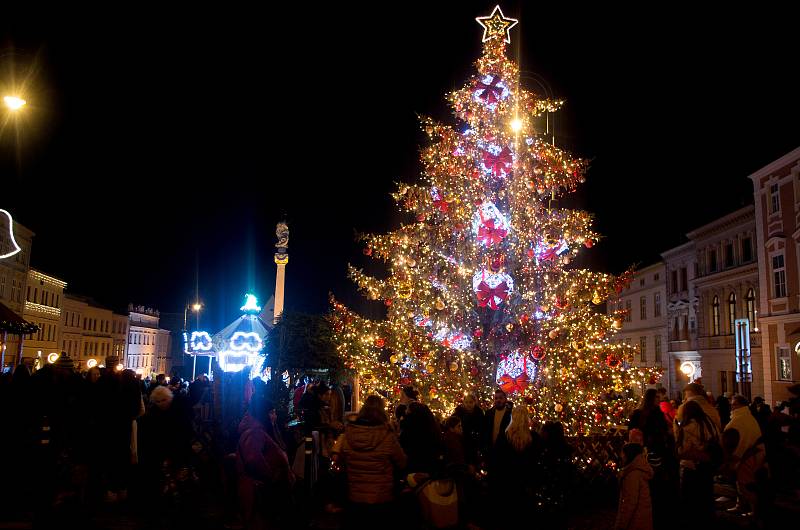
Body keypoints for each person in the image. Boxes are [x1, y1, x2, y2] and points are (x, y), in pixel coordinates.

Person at [332, 395, 407, 530]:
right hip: (381, 497)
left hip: (354, 496)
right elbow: (402, 463)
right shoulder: (387, 435)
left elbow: (340, 461)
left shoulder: (348, 434)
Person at [236, 395, 294, 529]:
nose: (275, 416)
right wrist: (272, 476)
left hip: (264, 491)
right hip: (260, 494)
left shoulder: (260, 429)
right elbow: (254, 460)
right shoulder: (255, 432)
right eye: (272, 413)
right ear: (263, 414)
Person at [491, 406, 539, 526]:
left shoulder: (504, 437)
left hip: (508, 480)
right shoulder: (533, 438)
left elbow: (497, 459)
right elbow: (536, 460)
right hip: (526, 480)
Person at [675, 399, 719, 526]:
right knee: (706, 495)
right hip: (707, 465)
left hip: (691, 466)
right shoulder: (709, 424)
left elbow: (682, 450)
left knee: (691, 498)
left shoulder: (687, 428)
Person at [723, 395, 762, 514]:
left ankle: (755, 512)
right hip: (752, 454)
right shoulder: (747, 417)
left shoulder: (740, 419)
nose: (732, 407)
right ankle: (743, 505)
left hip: (747, 456)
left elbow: (737, 439)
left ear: (741, 405)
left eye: (734, 404)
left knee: (746, 484)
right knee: (743, 483)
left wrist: (733, 457)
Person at [614, 442, 654, 530]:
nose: (621, 456)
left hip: (635, 520)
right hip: (642, 517)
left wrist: (621, 525)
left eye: (623, 454)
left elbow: (630, 502)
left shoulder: (632, 475)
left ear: (629, 455)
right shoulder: (640, 470)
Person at [482, 388, 512, 469]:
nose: (498, 400)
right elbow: (485, 432)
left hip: (504, 452)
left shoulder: (510, 415)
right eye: (496, 398)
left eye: (500, 398)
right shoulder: (488, 414)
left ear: (505, 399)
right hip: (490, 451)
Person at [453, 393, 484, 468]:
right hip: (463, 441)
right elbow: (453, 423)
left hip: (475, 442)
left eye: (471, 402)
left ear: (475, 402)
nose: (468, 404)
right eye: (466, 402)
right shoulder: (458, 412)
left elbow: (482, 428)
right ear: (463, 403)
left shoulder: (479, 413)